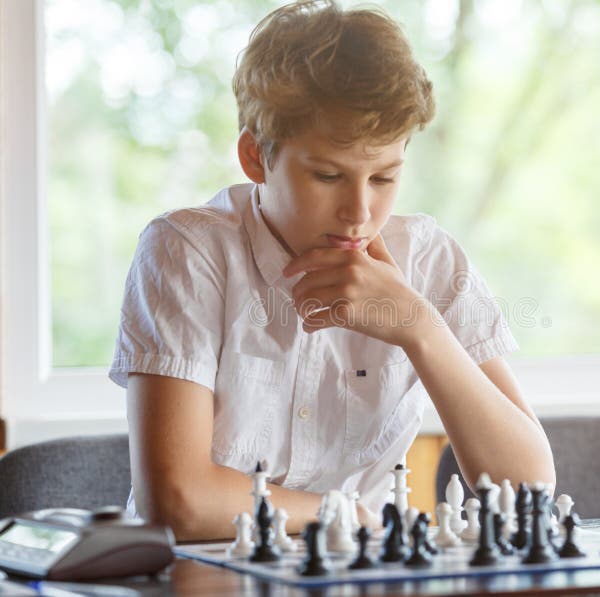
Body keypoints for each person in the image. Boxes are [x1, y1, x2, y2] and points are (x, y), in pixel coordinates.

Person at [109, 0, 555, 541]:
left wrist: (418, 327)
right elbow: (178, 502)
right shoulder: (187, 251)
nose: (360, 212)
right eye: (327, 176)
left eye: (384, 178)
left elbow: (529, 488)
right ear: (255, 157)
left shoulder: (429, 260)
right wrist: (352, 514)